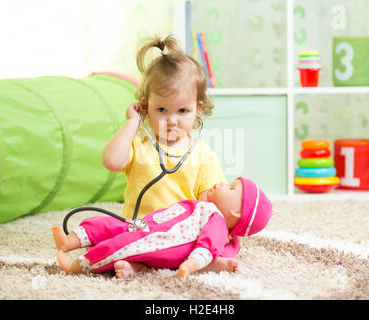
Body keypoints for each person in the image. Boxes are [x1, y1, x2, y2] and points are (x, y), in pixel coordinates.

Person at [100, 34, 240, 275]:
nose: (172, 120)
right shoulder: (139, 144)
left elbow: (212, 201)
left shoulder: (203, 155)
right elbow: (111, 161)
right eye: (161, 109)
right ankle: (142, 262)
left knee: (221, 240)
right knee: (111, 239)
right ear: (145, 106)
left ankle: (190, 261)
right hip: (142, 229)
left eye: (182, 110)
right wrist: (132, 123)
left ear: (197, 109)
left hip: (180, 234)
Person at [52, 177, 273, 280]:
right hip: (148, 226)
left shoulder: (216, 220)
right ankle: (70, 240)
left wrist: (191, 264)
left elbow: (207, 247)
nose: (223, 183)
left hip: (159, 240)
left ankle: (77, 267)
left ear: (235, 213)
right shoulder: (204, 207)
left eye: (231, 188)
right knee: (113, 225)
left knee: (121, 246)